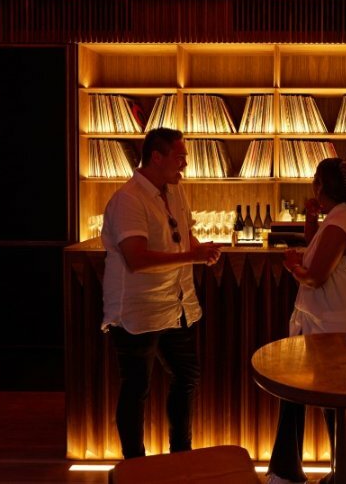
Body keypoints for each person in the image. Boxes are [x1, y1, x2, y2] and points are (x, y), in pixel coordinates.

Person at [100, 127, 222, 459]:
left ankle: (180, 455)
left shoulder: (175, 192)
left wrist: (199, 249)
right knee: (136, 387)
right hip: (138, 311)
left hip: (177, 304)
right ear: (157, 156)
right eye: (180, 157)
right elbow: (136, 259)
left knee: (187, 377)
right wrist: (191, 256)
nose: (185, 165)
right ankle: (135, 465)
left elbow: (182, 237)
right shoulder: (128, 199)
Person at [266, 157, 346, 484]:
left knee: (329, 405)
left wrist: (291, 266)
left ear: (321, 186)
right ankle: (295, 471)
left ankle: (325, 475)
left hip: (332, 329)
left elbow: (315, 277)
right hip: (327, 323)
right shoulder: (342, 217)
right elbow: (317, 245)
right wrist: (312, 217)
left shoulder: (340, 223)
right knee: (301, 397)